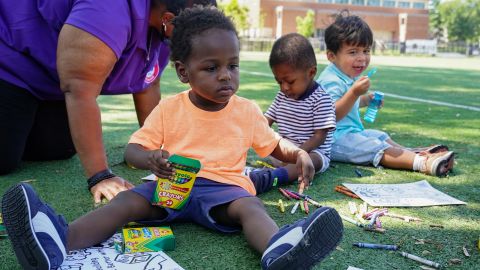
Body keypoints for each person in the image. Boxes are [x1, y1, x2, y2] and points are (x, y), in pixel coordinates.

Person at [1, 6, 344, 270]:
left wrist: (296, 152)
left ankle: (278, 248)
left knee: (250, 206)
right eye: (211, 68)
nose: (226, 76)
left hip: (224, 190)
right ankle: (59, 241)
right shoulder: (169, 108)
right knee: (125, 203)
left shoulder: (246, 110)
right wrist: (149, 159)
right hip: (169, 186)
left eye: (233, 66)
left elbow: (273, 144)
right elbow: (135, 149)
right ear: (183, 72)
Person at [0, 0, 216, 203]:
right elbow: (80, 89)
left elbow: (147, 83)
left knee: (58, 149)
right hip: (11, 63)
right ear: (167, 19)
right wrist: (100, 176)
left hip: (49, 79)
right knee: (4, 159)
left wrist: (157, 148)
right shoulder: (107, 11)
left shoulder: (166, 29)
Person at [317, 11, 454, 177]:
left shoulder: (347, 75)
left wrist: (365, 99)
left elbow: (348, 104)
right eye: (353, 52)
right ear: (332, 56)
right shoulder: (331, 80)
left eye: (366, 51)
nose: (362, 58)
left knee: (379, 136)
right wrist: (354, 93)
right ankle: (423, 163)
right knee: (375, 148)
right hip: (333, 141)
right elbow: (329, 115)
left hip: (350, 133)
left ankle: (410, 153)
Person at [247, 33, 336, 194]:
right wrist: (251, 135)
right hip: (286, 149)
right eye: (279, 82)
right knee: (267, 153)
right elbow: (267, 119)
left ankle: (273, 177)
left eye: (290, 81)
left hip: (312, 152)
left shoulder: (321, 99)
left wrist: (299, 154)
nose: (284, 88)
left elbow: (319, 136)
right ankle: (260, 170)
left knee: (308, 161)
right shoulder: (283, 95)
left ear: (311, 72)